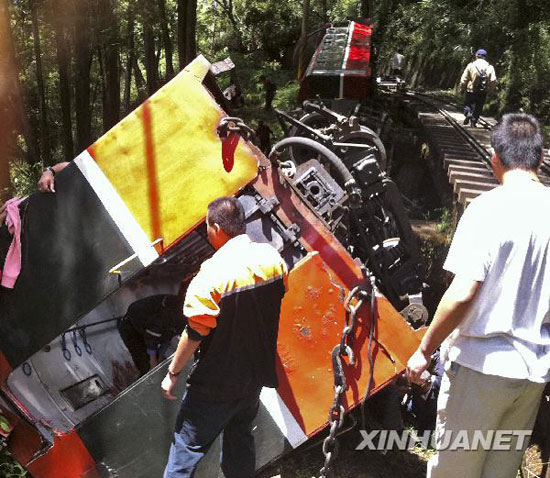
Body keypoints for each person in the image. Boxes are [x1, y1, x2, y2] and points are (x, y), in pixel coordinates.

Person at [407, 113, 550, 477]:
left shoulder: (487, 208)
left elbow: (464, 292)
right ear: (540, 157)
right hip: (532, 373)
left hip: (480, 368)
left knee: (455, 470)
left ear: (495, 158)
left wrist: (424, 350)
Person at [161, 196, 288, 478]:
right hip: (253, 378)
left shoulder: (210, 276)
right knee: (240, 438)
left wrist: (172, 373)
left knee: (185, 449)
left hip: (216, 383)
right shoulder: (273, 260)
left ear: (216, 228)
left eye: (207, 227)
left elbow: (196, 331)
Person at [119, 294, 186, 376]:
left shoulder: (184, 320)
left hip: (152, 329)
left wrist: (161, 356)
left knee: (159, 362)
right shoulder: (173, 313)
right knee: (147, 366)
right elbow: (152, 336)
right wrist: (153, 362)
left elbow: (169, 335)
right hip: (132, 327)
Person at [459, 49, 497, 127]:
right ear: (485, 57)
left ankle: (468, 113)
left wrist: (462, 88)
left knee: (468, 104)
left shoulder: (471, 65)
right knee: (479, 107)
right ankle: (473, 122)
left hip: (471, 90)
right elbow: (493, 80)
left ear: (477, 56)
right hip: (483, 91)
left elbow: (464, 79)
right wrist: (491, 90)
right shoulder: (490, 67)